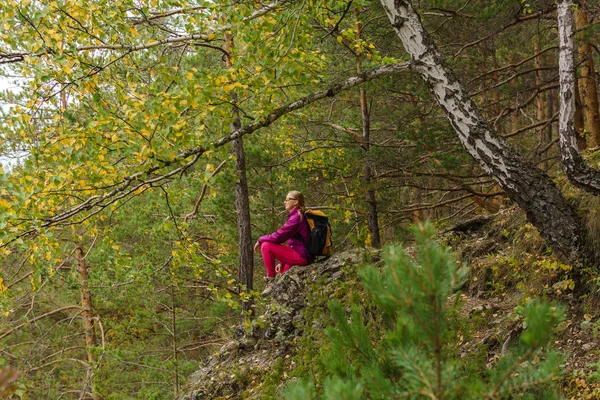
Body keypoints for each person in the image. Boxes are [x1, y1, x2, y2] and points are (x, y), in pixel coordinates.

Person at [253, 190, 314, 297]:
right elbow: (295, 243)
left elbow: (279, 237)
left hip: (302, 256)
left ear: (295, 202)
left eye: (287, 199)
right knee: (282, 277)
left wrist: (260, 239)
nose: (284, 202)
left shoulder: (296, 218)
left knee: (266, 245)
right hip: (302, 253)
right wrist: (282, 262)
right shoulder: (298, 215)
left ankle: (270, 281)